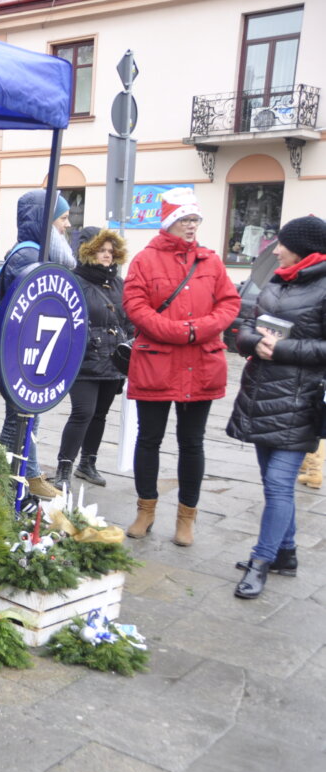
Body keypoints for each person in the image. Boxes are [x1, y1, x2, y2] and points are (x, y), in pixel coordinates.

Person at [122, 188, 240, 545]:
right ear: (170, 222)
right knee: (149, 439)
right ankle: (145, 510)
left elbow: (229, 303)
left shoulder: (210, 261)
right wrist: (176, 332)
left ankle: (186, 517)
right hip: (156, 364)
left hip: (199, 365)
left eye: (195, 220)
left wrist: (197, 330)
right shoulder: (145, 260)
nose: (191, 226)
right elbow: (135, 305)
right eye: (185, 219)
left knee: (192, 443)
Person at [227, 215, 326, 598]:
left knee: (279, 483)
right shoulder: (276, 278)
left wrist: (282, 349)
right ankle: (286, 554)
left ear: (302, 248)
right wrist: (253, 342)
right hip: (260, 395)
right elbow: (246, 325)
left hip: (300, 400)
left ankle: (261, 561)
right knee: (273, 482)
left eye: (282, 244)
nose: (276, 249)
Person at [0, 190, 76, 500]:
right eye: (63, 218)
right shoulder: (28, 256)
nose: (67, 225)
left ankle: (23, 475)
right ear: (45, 220)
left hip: (30, 354)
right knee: (20, 419)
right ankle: (11, 478)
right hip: (21, 356)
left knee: (27, 417)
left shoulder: (36, 255)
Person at [51, 228, 131, 491]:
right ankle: (64, 467)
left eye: (110, 251)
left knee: (100, 414)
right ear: (88, 252)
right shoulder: (74, 281)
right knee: (83, 412)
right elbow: (66, 319)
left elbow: (127, 318)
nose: (107, 255)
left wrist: (130, 341)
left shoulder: (118, 283)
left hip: (113, 360)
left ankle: (88, 463)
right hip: (83, 360)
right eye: (101, 250)